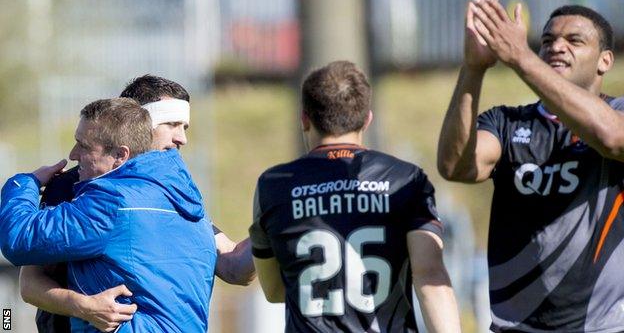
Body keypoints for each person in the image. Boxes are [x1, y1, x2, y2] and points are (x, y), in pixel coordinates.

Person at [438, 0, 624, 332]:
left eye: (574, 40)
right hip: (515, 327)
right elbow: (456, 166)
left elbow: (613, 140)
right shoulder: (508, 123)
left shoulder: (618, 114)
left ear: (605, 61)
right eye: (548, 40)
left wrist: (521, 58)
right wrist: (473, 69)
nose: (556, 46)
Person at [20, 75, 255, 332]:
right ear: (138, 122)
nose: (182, 139)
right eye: (172, 124)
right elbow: (29, 283)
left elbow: (234, 266)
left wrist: (277, 216)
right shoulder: (73, 186)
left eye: (184, 127)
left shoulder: (173, 194)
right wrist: (84, 305)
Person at [250, 61, 461, 332]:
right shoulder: (406, 179)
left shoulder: (273, 186)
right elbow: (430, 278)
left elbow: (274, 290)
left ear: (304, 119)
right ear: (367, 119)